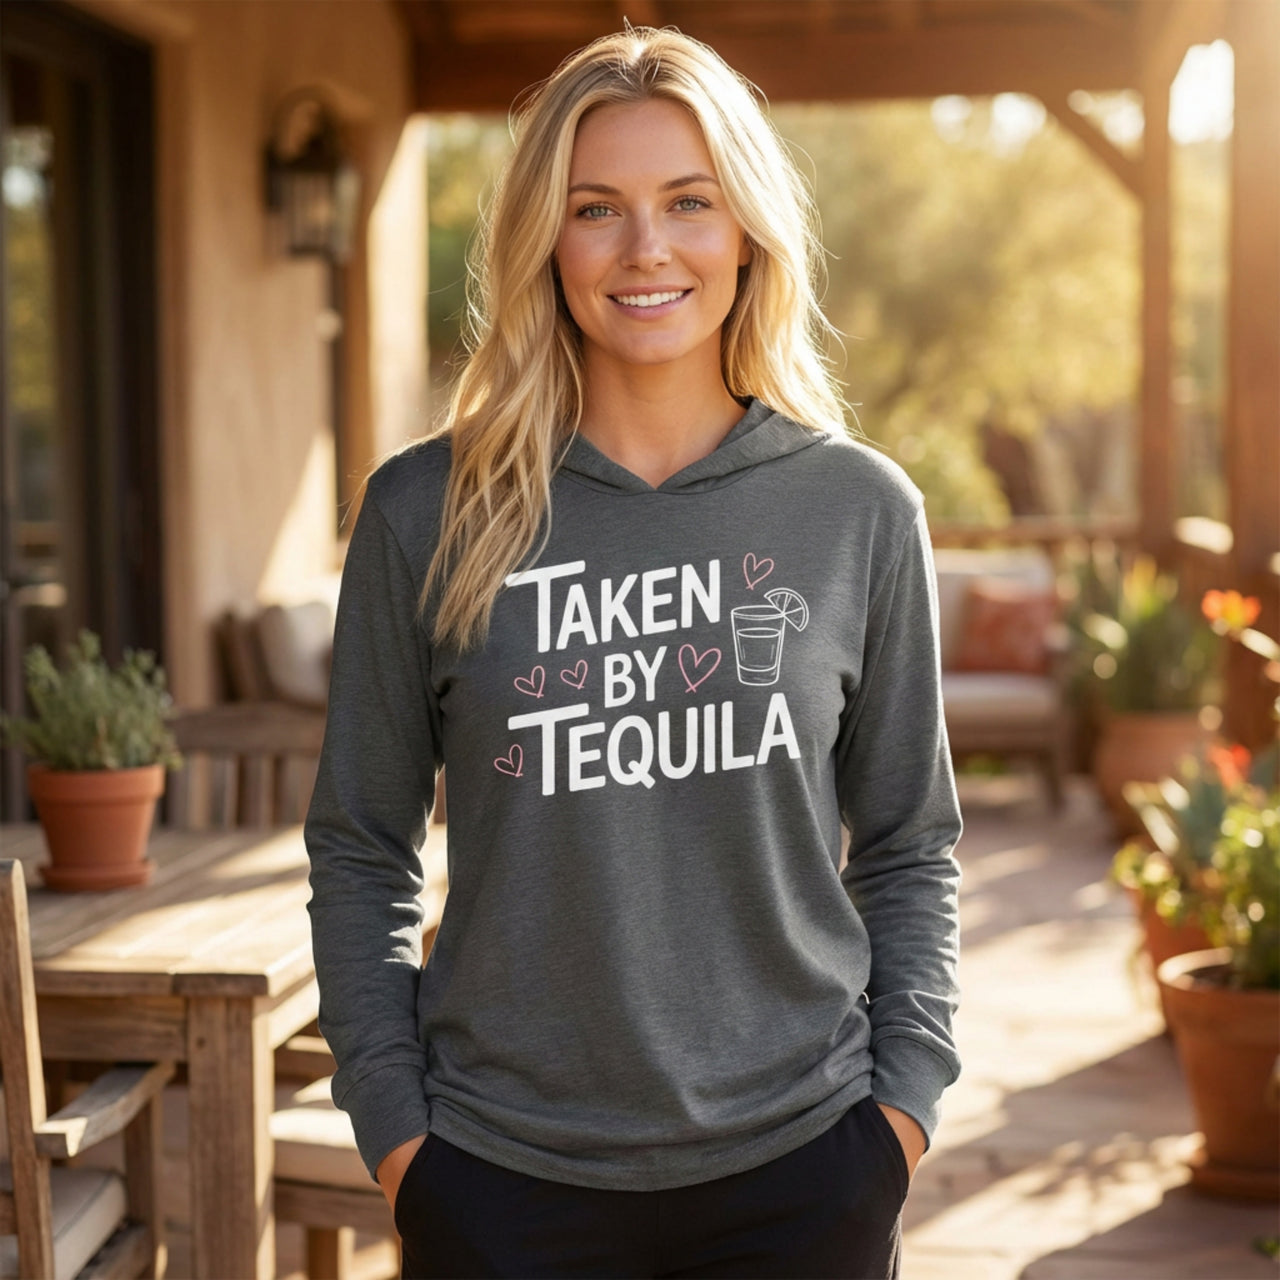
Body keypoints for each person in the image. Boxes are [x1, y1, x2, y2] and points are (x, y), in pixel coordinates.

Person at [305, 25, 962, 1280]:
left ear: (746, 231)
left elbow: (908, 839)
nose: (644, 248)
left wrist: (897, 1118)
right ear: (543, 241)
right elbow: (360, 841)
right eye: (594, 207)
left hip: (804, 1167)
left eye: (688, 202)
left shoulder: (856, 510)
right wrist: (400, 1139)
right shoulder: (423, 513)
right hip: (501, 1182)